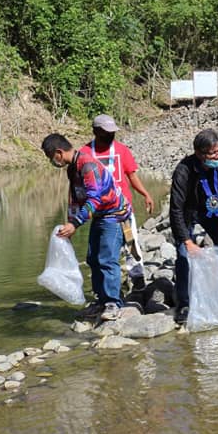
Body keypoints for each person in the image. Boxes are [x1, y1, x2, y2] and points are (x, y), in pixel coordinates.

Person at [42, 133, 132, 322]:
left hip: (114, 214)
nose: (52, 162)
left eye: (51, 158)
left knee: (107, 258)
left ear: (59, 153)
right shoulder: (72, 169)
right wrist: (69, 222)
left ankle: (113, 303)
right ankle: (101, 301)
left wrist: (75, 223)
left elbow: (94, 198)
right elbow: (75, 198)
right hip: (100, 215)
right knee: (93, 258)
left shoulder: (87, 165)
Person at [79, 114, 155, 300]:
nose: (110, 135)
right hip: (100, 212)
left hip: (123, 211)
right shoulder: (86, 153)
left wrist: (145, 194)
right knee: (100, 254)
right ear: (95, 131)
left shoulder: (121, 150)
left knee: (131, 245)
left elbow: (132, 175)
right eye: (106, 132)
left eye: (112, 132)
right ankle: (103, 293)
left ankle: (137, 282)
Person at [169, 129, 218, 324]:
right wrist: (187, 240)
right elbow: (175, 209)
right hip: (188, 211)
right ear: (200, 154)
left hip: (213, 210)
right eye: (212, 153)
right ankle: (184, 303)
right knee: (184, 254)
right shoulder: (183, 171)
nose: (217, 156)